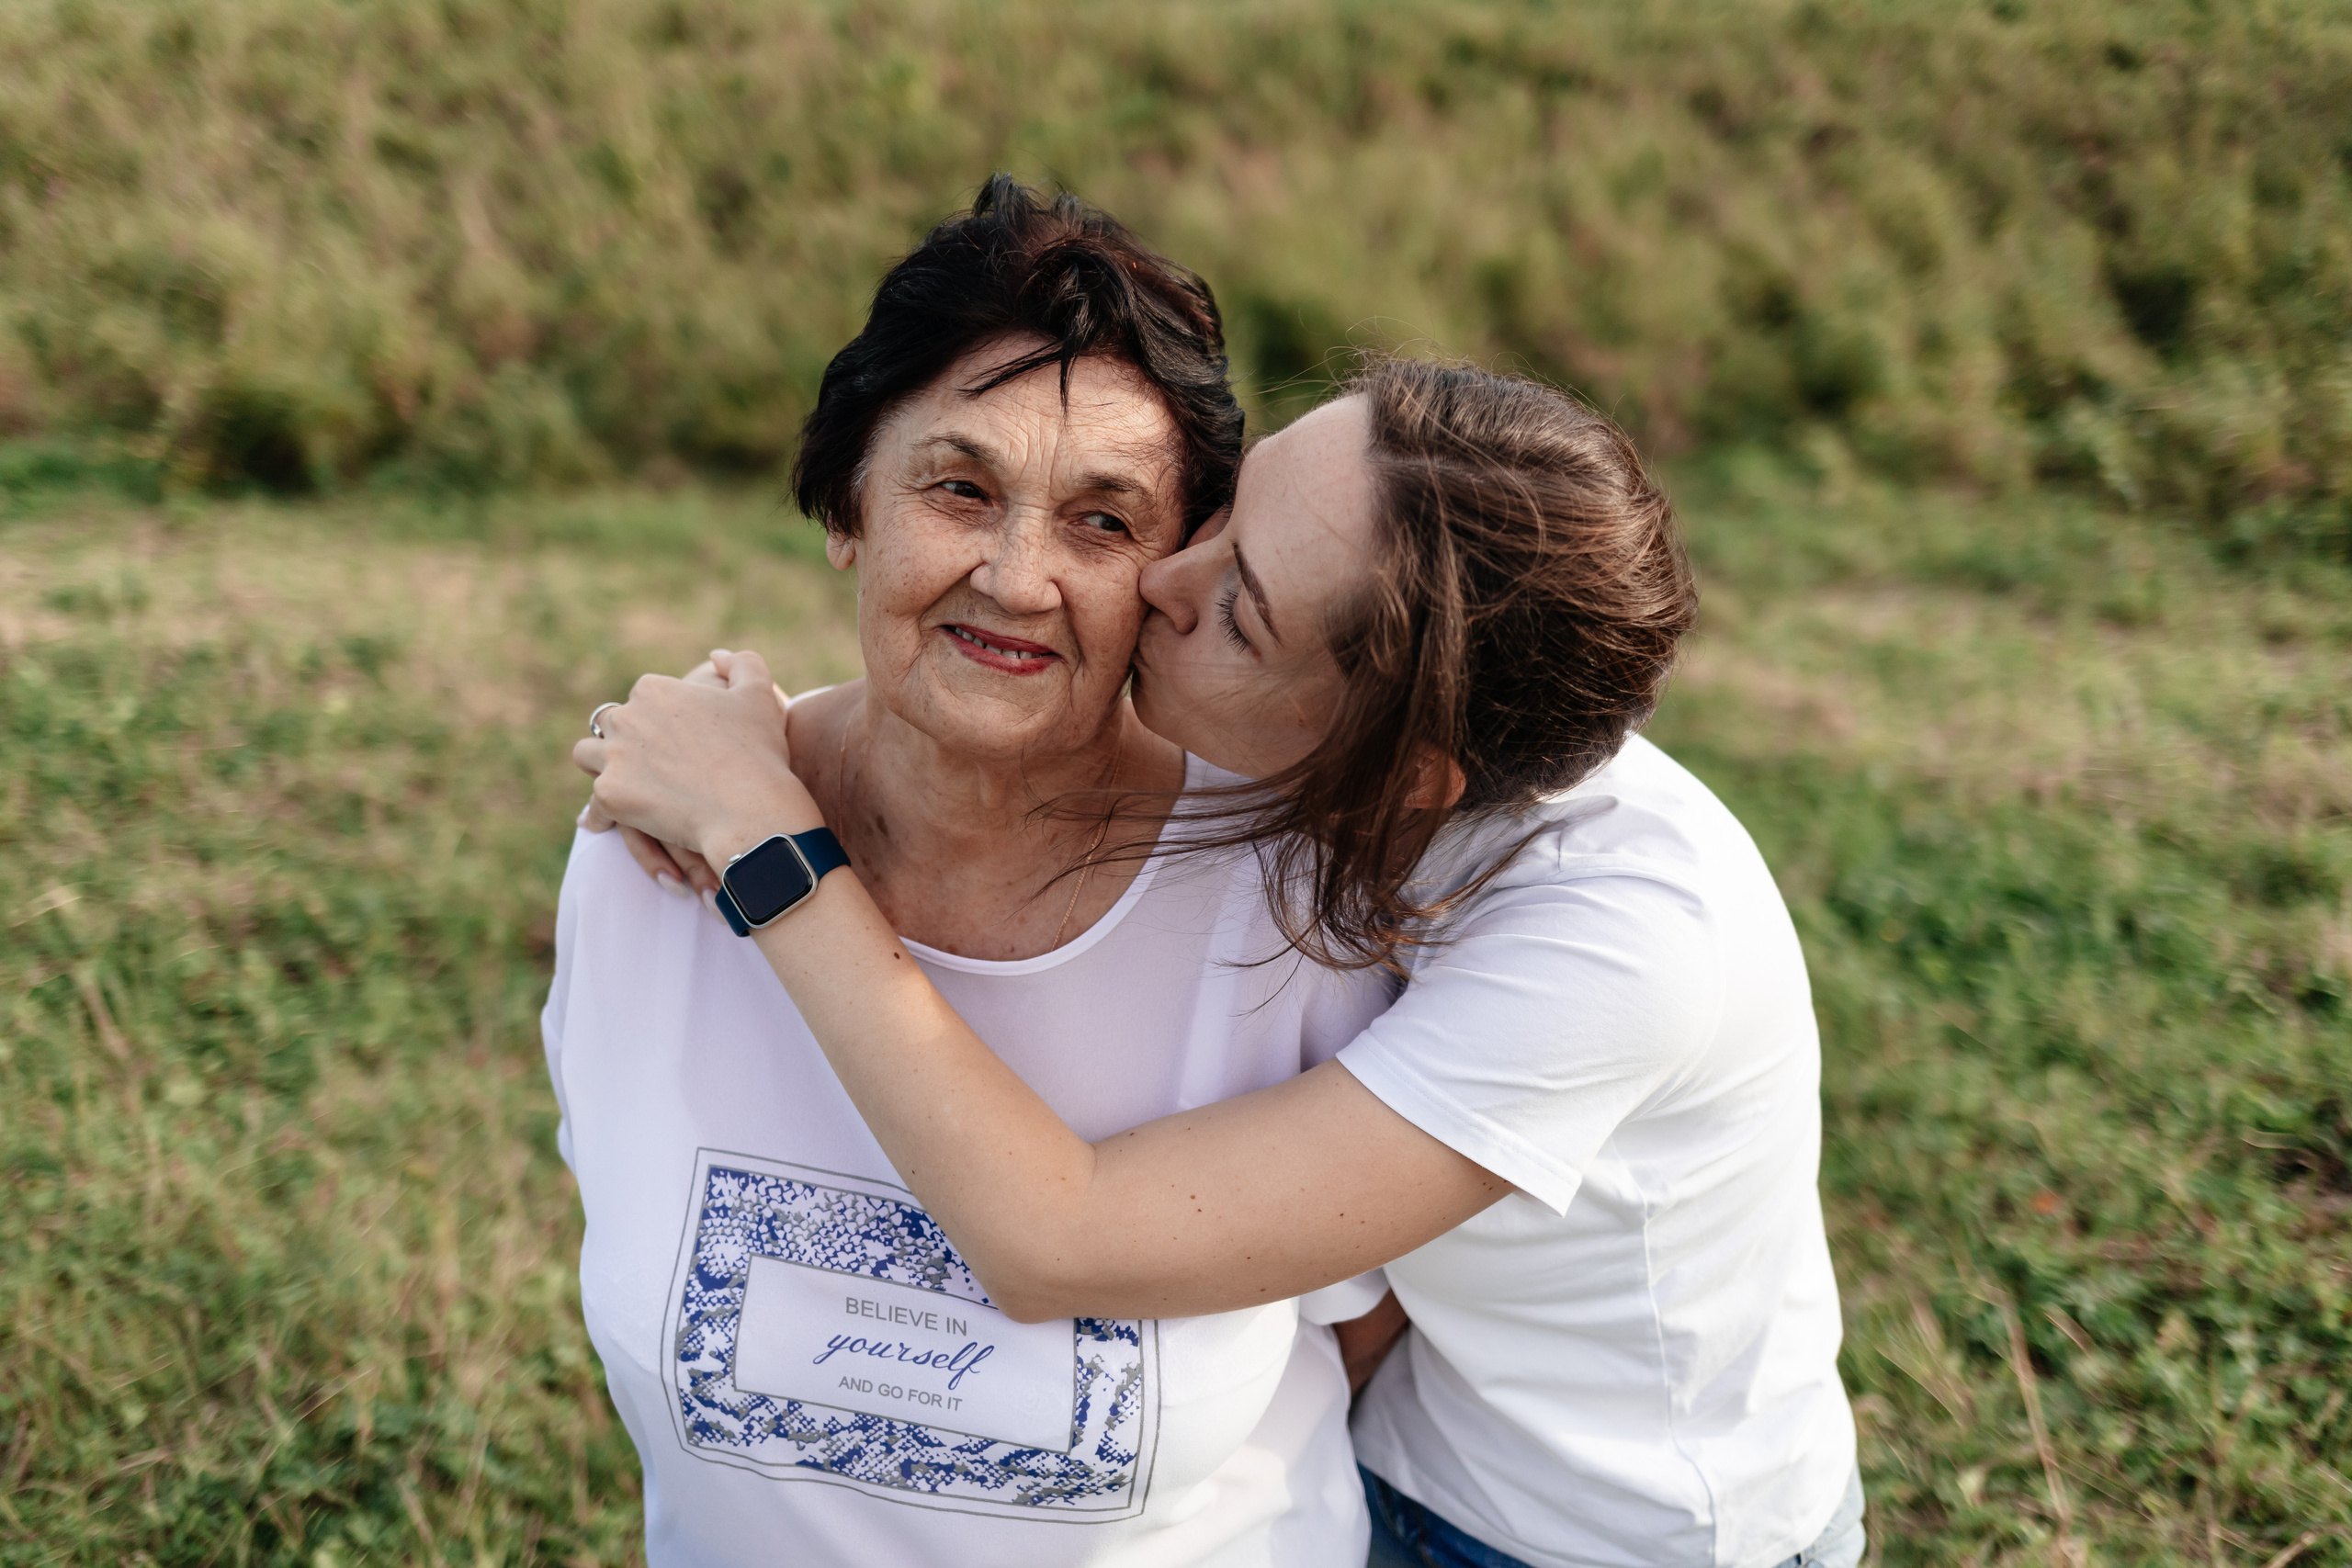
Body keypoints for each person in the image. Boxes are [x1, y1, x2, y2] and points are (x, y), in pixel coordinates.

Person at [580, 358, 1867, 1568]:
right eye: (1225, 521)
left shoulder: (1618, 941)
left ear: (1402, 772)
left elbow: (1057, 1238)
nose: (1162, 584)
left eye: (1238, 610)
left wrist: (766, 841)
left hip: (1588, 1532)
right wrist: (758, 725)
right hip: (1396, 1447)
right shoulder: (1326, 760)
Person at [542, 176, 1396, 1565]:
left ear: (1178, 580)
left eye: (1103, 524)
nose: (1013, 576)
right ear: (846, 507)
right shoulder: (651, 852)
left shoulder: (1287, 907)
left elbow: (1371, 1328)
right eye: (960, 487)